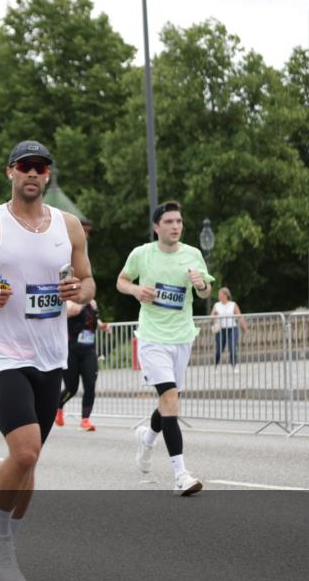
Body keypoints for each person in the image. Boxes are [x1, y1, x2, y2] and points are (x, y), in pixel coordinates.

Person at [0, 140, 94, 581]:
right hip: (4, 353)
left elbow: (87, 281)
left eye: (41, 167)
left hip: (51, 356)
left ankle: (4, 531)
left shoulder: (68, 227)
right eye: (25, 166)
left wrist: (79, 293)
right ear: (10, 172)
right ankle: (1, 536)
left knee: (29, 463)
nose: (33, 173)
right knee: (25, 451)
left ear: (48, 175)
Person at [116, 200, 213, 496]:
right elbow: (121, 281)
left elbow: (206, 290)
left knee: (168, 401)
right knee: (170, 397)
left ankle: (146, 439)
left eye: (179, 222)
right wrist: (135, 290)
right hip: (152, 337)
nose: (175, 226)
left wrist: (200, 285)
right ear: (157, 227)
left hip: (182, 336)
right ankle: (180, 474)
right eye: (169, 222)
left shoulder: (193, 255)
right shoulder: (142, 254)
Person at [55, 300, 110, 432]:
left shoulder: (93, 303)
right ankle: (58, 407)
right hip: (71, 351)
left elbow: (93, 318)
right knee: (71, 388)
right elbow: (73, 311)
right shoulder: (70, 302)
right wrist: (83, 301)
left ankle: (85, 420)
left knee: (90, 385)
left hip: (89, 351)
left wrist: (102, 326)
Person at [211, 287, 247, 372]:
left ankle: (234, 366)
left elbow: (239, 316)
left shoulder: (233, 304)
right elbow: (211, 316)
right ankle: (216, 365)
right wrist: (214, 316)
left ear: (226, 295)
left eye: (220, 294)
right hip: (221, 329)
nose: (219, 296)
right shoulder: (216, 305)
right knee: (219, 349)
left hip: (232, 329)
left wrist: (244, 327)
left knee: (232, 347)